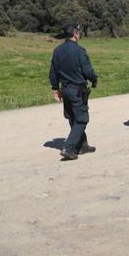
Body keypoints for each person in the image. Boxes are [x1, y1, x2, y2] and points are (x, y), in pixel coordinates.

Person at [49, 24, 98, 160]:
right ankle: (69, 148)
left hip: (65, 89)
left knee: (72, 117)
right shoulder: (79, 50)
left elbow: (53, 72)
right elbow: (87, 70)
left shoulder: (57, 50)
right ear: (75, 34)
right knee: (82, 119)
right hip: (77, 89)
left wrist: (55, 88)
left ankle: (83, 146)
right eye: (79, 33)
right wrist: (94, 80)